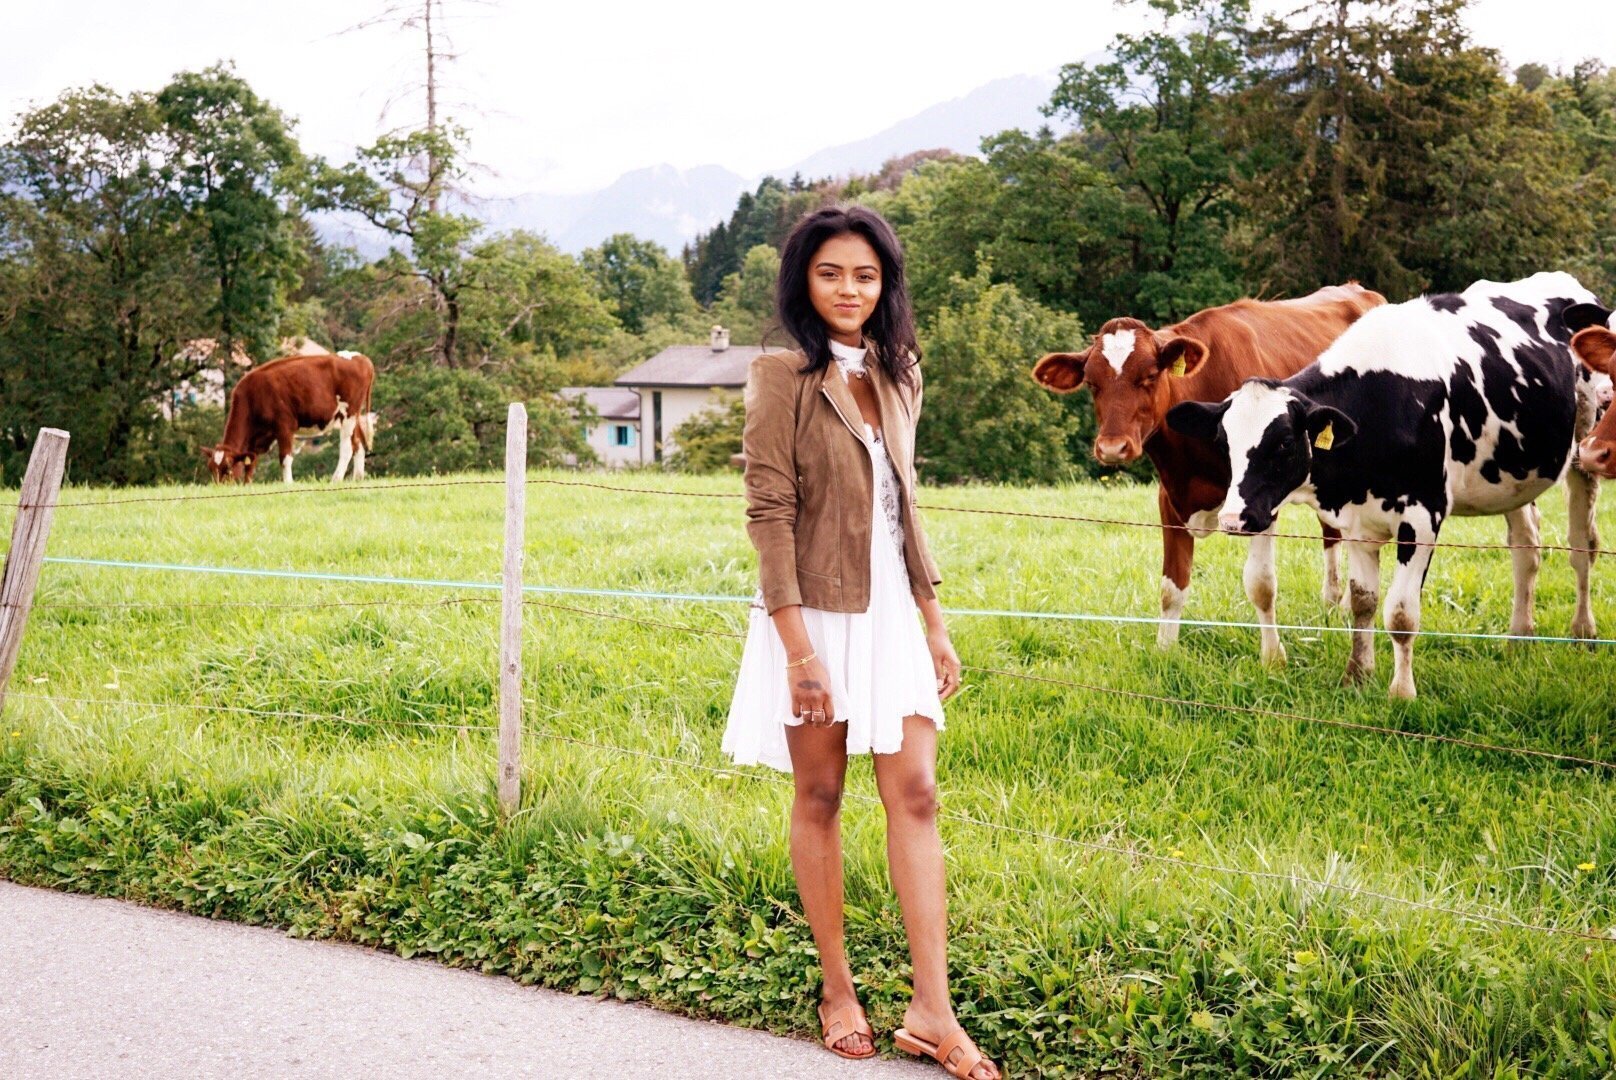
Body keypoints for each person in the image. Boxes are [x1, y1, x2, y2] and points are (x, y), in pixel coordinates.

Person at [722, 205, 1000, 1080]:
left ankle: (931, 1010)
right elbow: (768, 515)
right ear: (804, 281)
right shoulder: (779, 376)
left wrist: (934, 620)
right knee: (822, 794)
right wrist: (799, 652)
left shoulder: (899, 373)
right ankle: (838, 989)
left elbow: (904, 507)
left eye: (867, 275)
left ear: (887, 285)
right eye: (832, 273)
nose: (850, 290)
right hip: (814, 618)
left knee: (915, 793)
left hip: (888, 614)